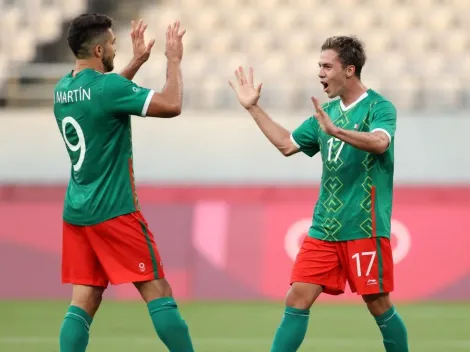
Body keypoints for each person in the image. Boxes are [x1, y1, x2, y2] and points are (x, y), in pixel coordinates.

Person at [229, 35, 409, 352]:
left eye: (327, 66)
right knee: (297, 297)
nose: (320, 74)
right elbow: (287, 145)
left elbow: (381, 142)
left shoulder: (380, 107)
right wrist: (253, 108)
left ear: (349, 70)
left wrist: (336, 131)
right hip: (324, 228)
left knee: (378, 303)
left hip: (364, 227)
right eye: (319, 67)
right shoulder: (324, 114)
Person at [53, 13, 194, 352]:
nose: (117, 50)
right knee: (158, 292)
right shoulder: (108, 88)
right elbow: (171, 104)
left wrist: (135, 61)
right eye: (113, 46)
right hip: (114, 210)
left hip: (77, 212)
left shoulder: (63, 89)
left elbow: (104, 96)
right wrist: (172, 61)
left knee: (84, 300)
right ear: (100, 49)